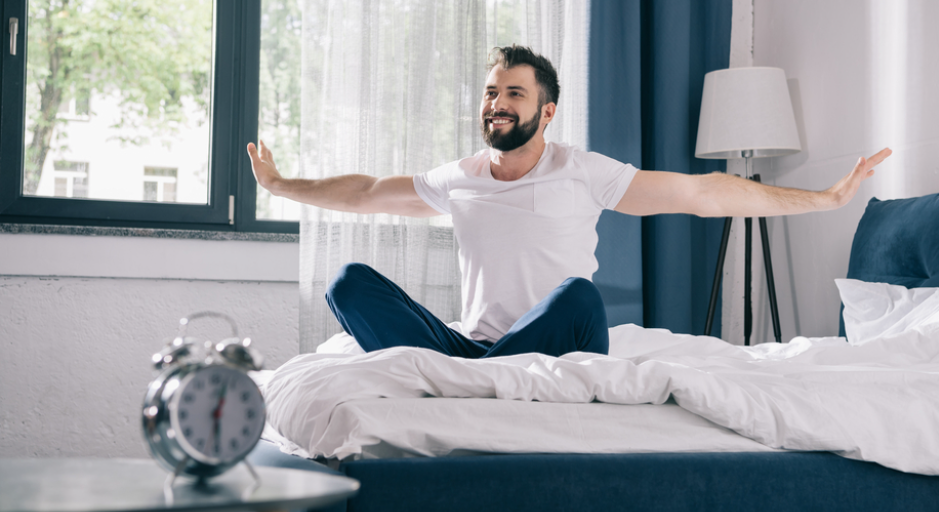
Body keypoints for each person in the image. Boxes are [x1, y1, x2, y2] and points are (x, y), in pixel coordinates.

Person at [247, 45, 891, 360]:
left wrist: (824, 199)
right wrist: (280, 187)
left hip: (553, 344)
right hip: (472, 351)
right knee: (350, 281)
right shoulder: (460, 177)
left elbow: (699, 194)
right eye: (491, 93)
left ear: (546, 111)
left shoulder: (582, 171)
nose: (496, 104)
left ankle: (485, 381)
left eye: (514, 95)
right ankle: (478, 379)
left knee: (578, 295)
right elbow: (364, 192)